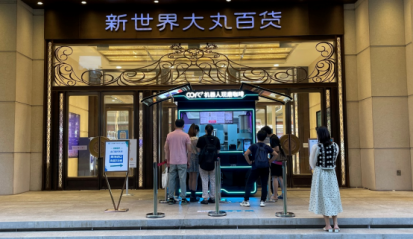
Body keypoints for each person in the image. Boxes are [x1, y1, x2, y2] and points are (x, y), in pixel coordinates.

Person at [309, 126, 342, 233]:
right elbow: (335, 158)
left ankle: (328, 225)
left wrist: (314, 168)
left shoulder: (316, 147)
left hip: (320, 174)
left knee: (323, 197)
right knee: (333, 197)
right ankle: (336, 225)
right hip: (331, 174)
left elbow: (312, 162)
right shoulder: (335, 146)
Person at [240, 130, 278, 207]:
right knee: (264, 184)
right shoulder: (267, 147)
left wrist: (250, 162)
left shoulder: (253, 146)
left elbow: (246, 154)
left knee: (249, 183)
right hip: (265, 167)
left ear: (257, 137)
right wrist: (270, 161)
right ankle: (262, 201)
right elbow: (276, 154)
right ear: (264, 138)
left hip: (255, 167)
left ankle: (246, 201)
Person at [164, 119, 191, 205]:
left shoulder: (169, 135)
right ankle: (183, 198)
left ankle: (171, 198)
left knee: (171, 179)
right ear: (183, 126)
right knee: (182, 180)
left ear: (175, 125)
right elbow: (189, 150)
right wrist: (188, 160)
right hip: (182, 161)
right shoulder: (186, 136)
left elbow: (166, 148)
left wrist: (167, 159)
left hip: (172, 160)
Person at [196, 124, 220, 204]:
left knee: (204, 179)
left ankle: (205, 198)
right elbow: (218, 151)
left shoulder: (201, 139)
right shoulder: (216, 139)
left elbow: (198, 150)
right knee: (213, 180)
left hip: (203, 162)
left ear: (205, 130)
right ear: (212, 131)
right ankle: (212, 197)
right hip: (213, 163)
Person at [261, 126, 284, 202]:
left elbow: (277, 149)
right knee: (280, 177)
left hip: (275, 160)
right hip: (279, 160)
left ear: (266, 133)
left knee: (274, 177)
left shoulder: (273, 138)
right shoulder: (274, 137)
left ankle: (274, 195)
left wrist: (268, 149)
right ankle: (283, 194)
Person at [187, 123, 200, 202]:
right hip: (195, 158)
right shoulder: (196, 139)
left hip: (188, 158)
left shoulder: (187, 138)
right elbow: (198, 150)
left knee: (190, 177)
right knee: (195, 177)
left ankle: (190, 194)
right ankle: (193, 195)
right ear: (196, 130)